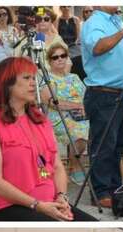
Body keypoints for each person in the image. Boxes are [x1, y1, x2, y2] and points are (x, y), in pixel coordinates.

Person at [0, 57, 98, 221]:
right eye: (26, 78)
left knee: (92, 226)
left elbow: (57, 167)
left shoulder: (40, 120)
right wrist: (37, 205)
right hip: (4, 207)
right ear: (6, 83)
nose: (33, 83)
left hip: (47, 204)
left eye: (33, 78)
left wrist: (62, 198)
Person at [81, 7, 123, 208]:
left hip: (121, 94)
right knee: (104, 145)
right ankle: (100, 192)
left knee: (118, 144)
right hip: (104, 94)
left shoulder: (115, 21)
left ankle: (114, 187)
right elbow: (98, 47)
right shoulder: (95, 22)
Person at [40, 41, 90, 186]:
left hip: (81, 115)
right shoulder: (47, 79)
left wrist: (84, 106)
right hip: (59, 118)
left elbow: (87, 96)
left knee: (100, 126)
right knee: (80, 132)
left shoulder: (74, 77)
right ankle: (75, 167)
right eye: (55, 57)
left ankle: (101, 171)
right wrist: (77, 105)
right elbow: (51, 101)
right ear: (49, 61)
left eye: (63, 56)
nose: (60, 59)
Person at [57, 6, 83, 79]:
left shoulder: (76, 19)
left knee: (78, 60)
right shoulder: (58, 20)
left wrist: (74, 44)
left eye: (68, 6)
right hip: (62, 45)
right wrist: (63, 46)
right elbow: (57, 35)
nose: (66, 8)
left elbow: (78, 36)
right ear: (61, 8)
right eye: (64, 6)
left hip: (74, 45)